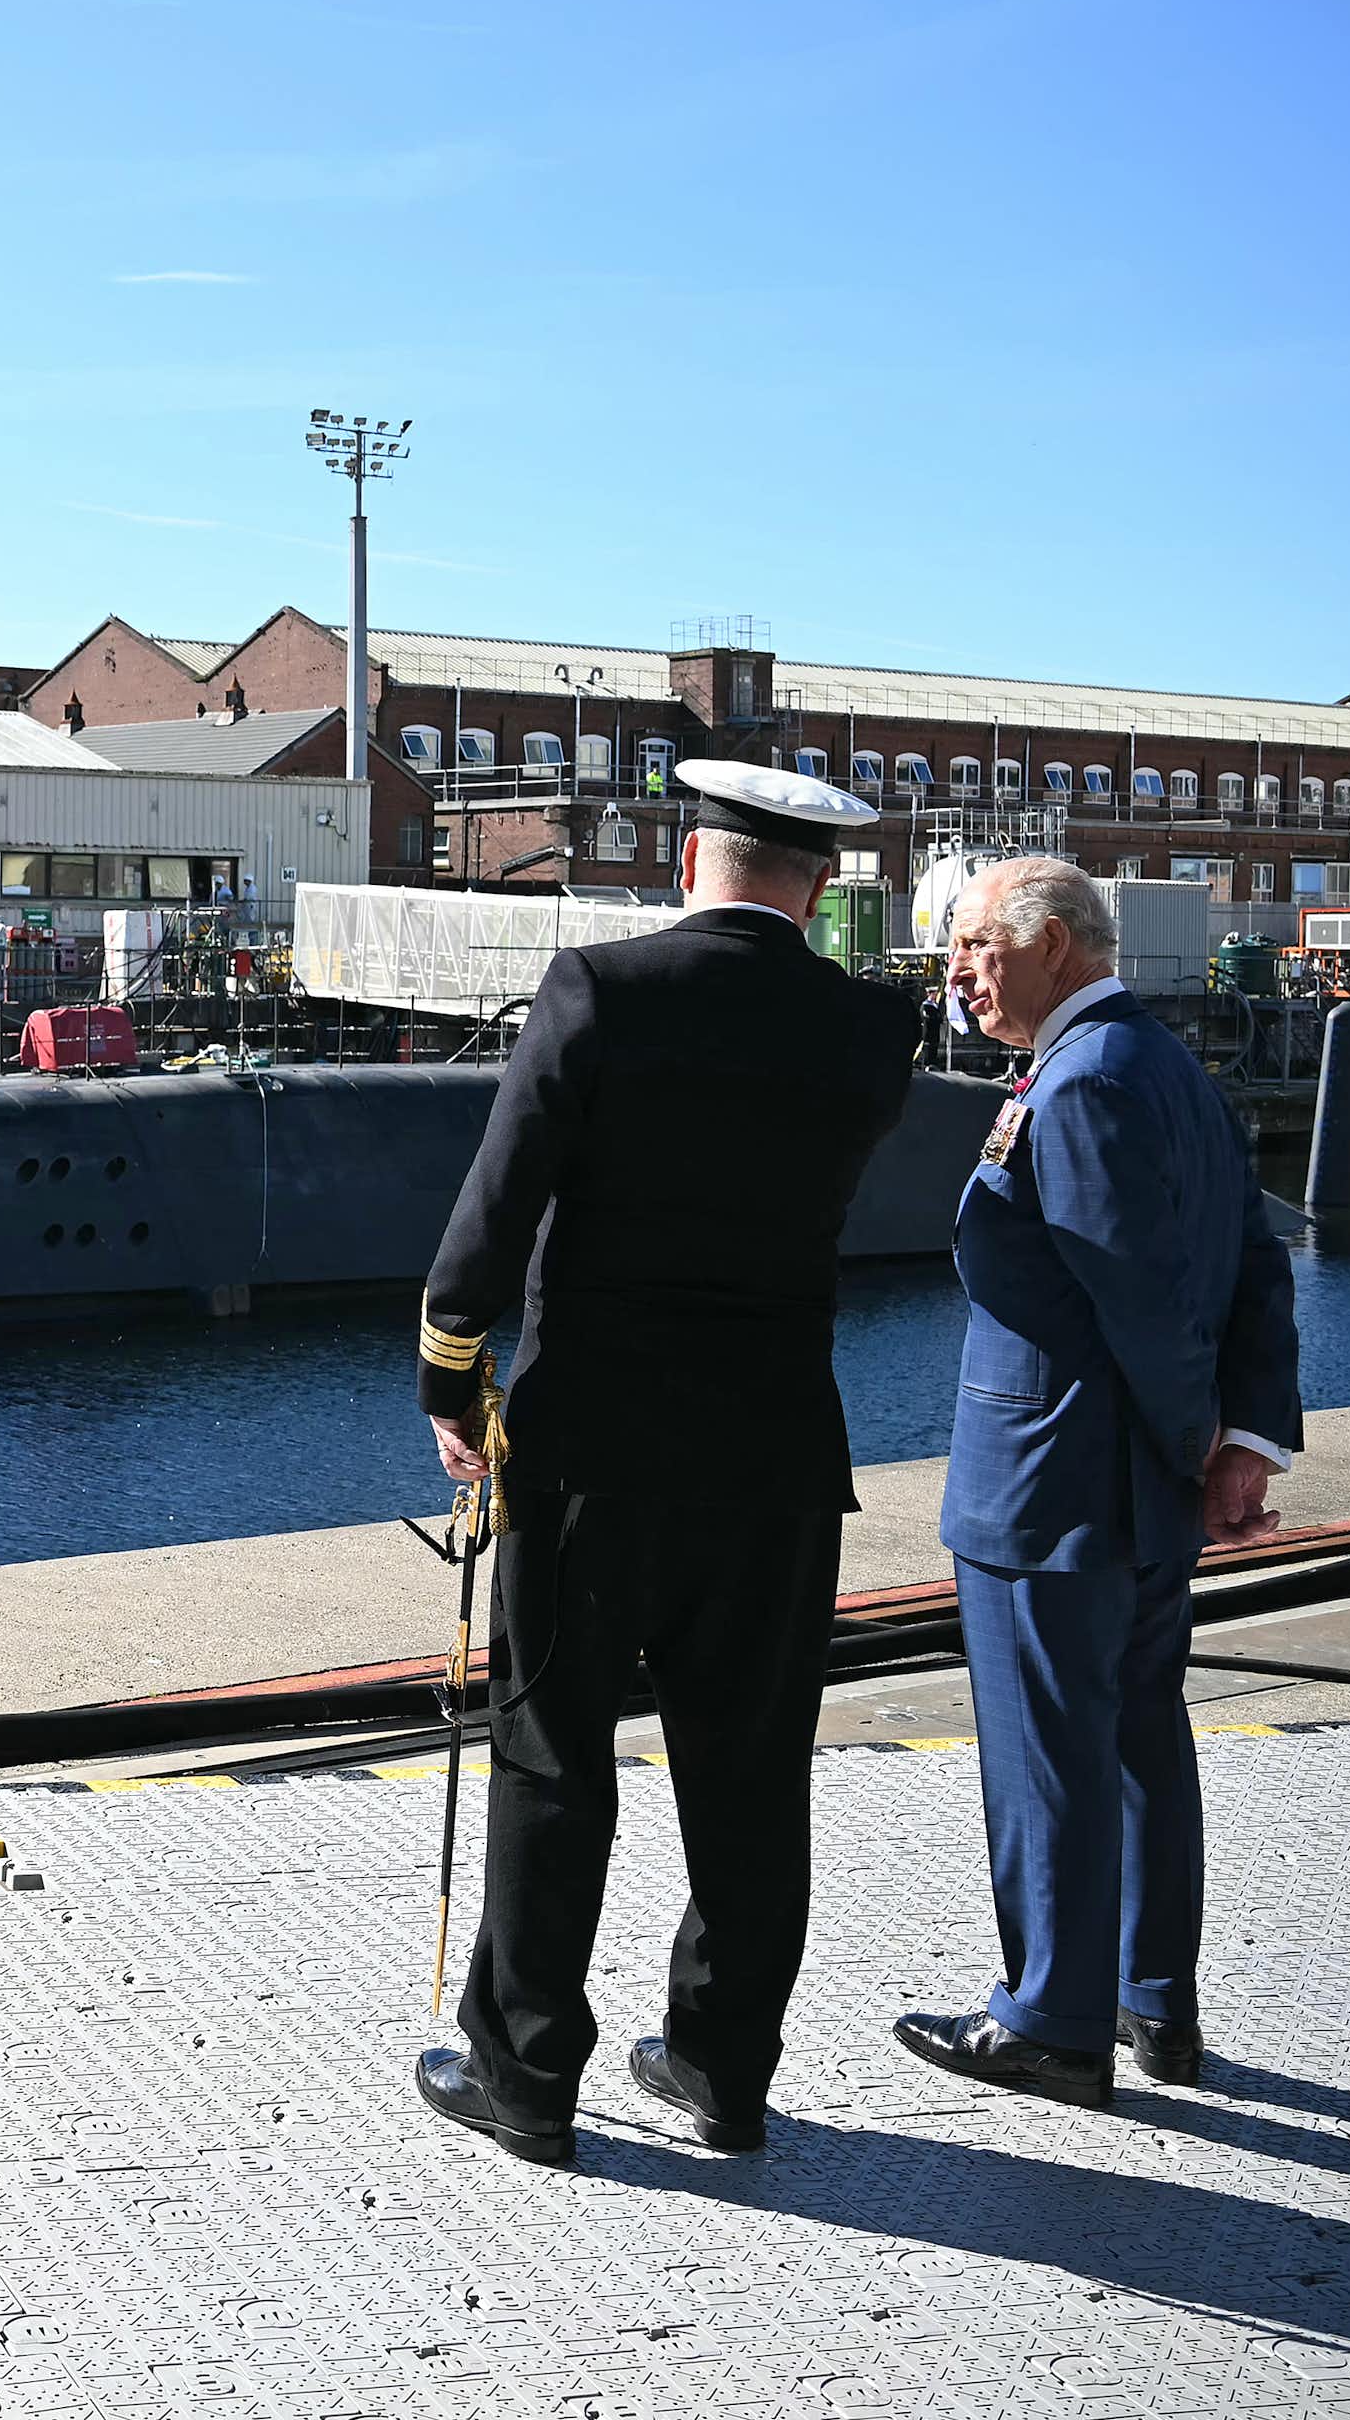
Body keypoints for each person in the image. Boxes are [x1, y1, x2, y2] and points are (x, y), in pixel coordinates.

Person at [411, 762, 921, 2166]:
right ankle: (722, 2069)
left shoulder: (598, 990)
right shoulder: (874, 1030)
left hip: (595, 1452)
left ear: (689, 855)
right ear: (819, 881)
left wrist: (454, 1374)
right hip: (774, 1457)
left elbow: (497, 1208)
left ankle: (527, 2077)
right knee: (753, 1771)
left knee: (555, 1754)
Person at [895, 858, 1301, 2106]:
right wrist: (1246, 1440)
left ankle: (1051, 2021)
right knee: (1137, 1737)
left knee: (1046, 1753)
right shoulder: (1167, 1066)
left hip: (1055, 1482)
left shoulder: (1082, 1080)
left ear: (1055, 944)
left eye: (974, 945)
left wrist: (1198, 1446)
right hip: (1131, 1489)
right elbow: (1253, 1263)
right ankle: (1150, 2003)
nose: (955, 971)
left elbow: (1131, 1297)